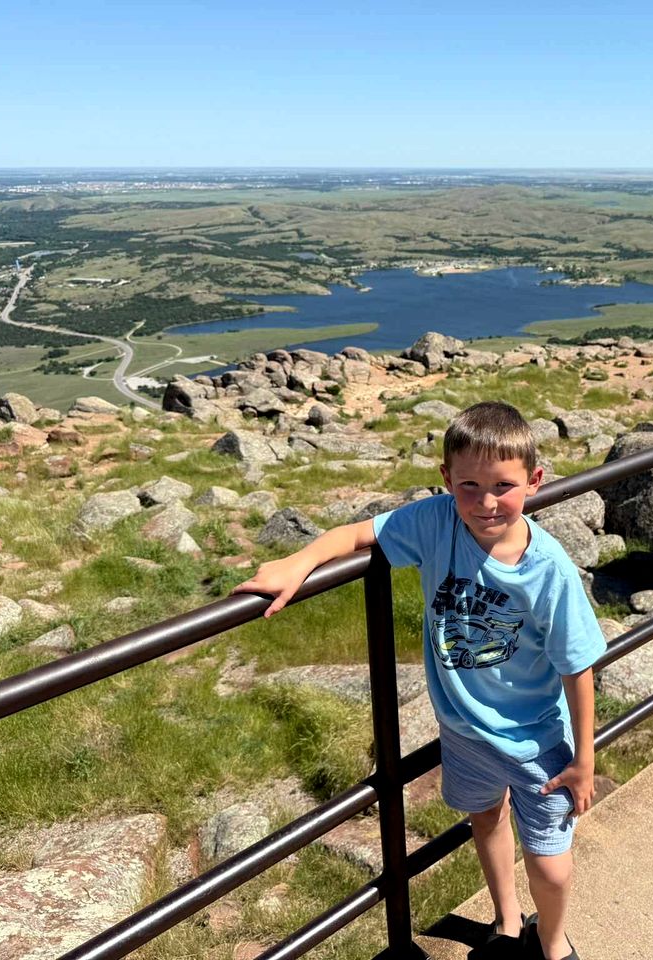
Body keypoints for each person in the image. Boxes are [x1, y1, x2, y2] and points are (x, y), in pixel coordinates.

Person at [233, 400, 606, 960]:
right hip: (462, 728)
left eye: (503, 486)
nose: (485, 503)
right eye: (469, 485)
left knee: (550, 864)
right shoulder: (436, 522)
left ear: (533, 481)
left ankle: (551, 944)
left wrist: (584, 760)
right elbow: (358, 535)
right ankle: (506, 924)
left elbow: (578, 666)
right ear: (446, 481)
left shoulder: (547, 568)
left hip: (537, 740)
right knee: (485, 817)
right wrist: (298, 563)